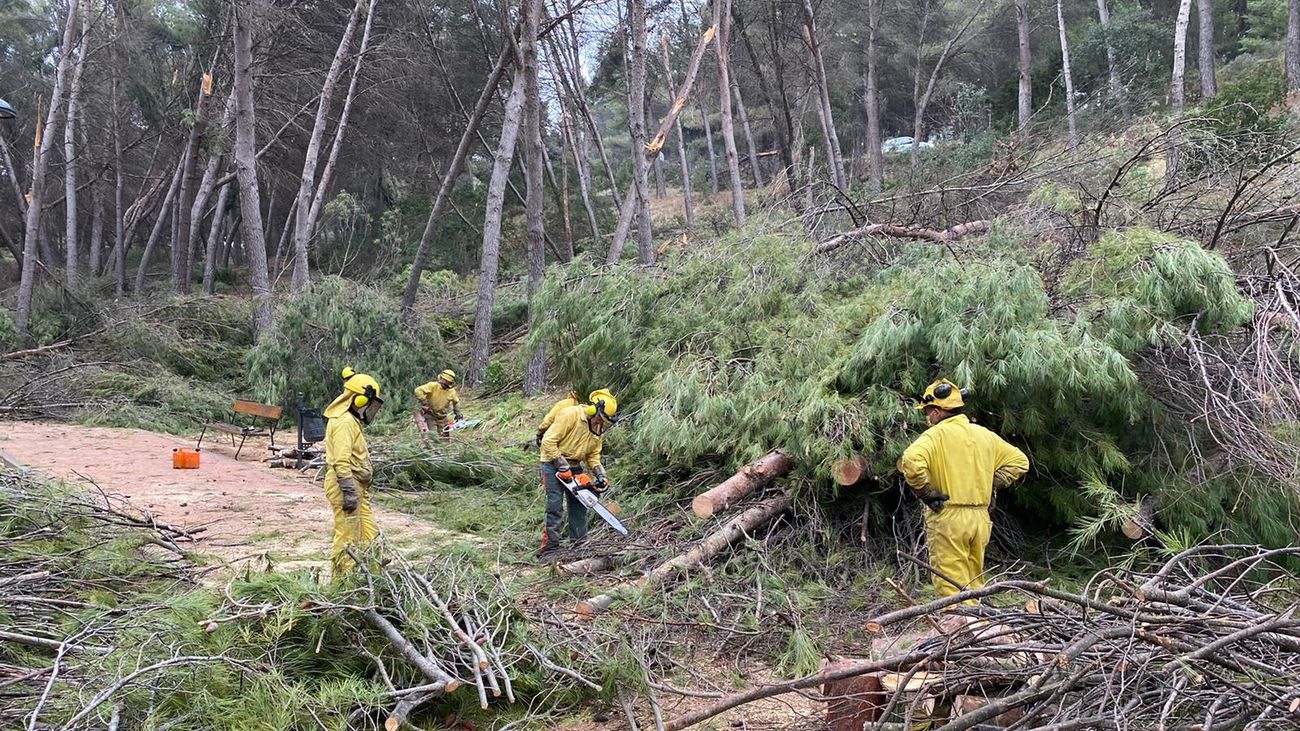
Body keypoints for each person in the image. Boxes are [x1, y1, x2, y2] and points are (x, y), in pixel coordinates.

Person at [898, 379, 1029, 601]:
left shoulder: (935, 435)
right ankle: (979, 627)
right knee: (973, 584)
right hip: (980, 519)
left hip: (948, 517)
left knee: (951, 589)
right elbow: (1019, 461)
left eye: (928, 412)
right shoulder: (984, 435)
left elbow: (911, 460)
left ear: (938, 412)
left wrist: (926, 493)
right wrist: (993, 483)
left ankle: (960, 631)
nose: (927, 418)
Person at [538, 389, 617, 558]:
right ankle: (550, 548)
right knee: (555, 506)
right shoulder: (570, 415)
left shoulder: (596, 429)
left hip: (575, 465)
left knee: (580, 506)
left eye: (603, 422)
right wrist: (561, 465)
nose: (600, 424)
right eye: (599, 419)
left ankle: (579, 545)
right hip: (552, 462)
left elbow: (593, 455)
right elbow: (548, 441)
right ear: (593, 409)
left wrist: (600, 474)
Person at [322, 371, 384, 577]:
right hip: (346, 485)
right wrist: (348, 489)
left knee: (370, 533)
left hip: (358, 486)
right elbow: (341, 459)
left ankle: (374, 575)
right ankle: (342, 582)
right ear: (359, 398)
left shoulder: (350, 419)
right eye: (369, 402)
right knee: (347, 536)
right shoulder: (344, 422)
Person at [414, 369, 462, 437]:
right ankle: (433, 446)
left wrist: (458, 414)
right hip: (431, 415)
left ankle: (445, 447)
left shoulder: (451, 391)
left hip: (443, 416)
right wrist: (425, 402)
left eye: (448, 383)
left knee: (445, 437)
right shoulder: (433, 386)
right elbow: (418, 391)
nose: (446, 384)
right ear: (441, 379)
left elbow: (456, 402)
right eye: (445, 382)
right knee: (433, 436)